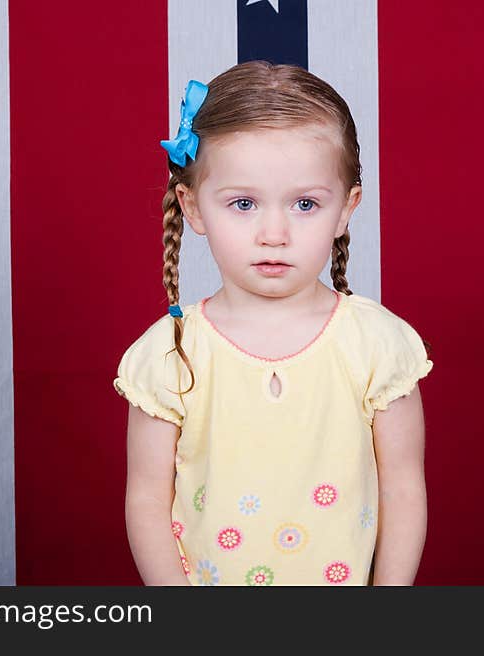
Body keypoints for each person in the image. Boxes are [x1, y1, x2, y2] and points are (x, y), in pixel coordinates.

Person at [113, 61, 434, 586]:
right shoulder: (171, 351)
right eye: (243, 204)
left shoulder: (377, 343)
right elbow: (147, 499)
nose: (274, 232)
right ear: (193, 208)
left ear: (346, 209)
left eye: (305, 203)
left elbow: (403, 489)